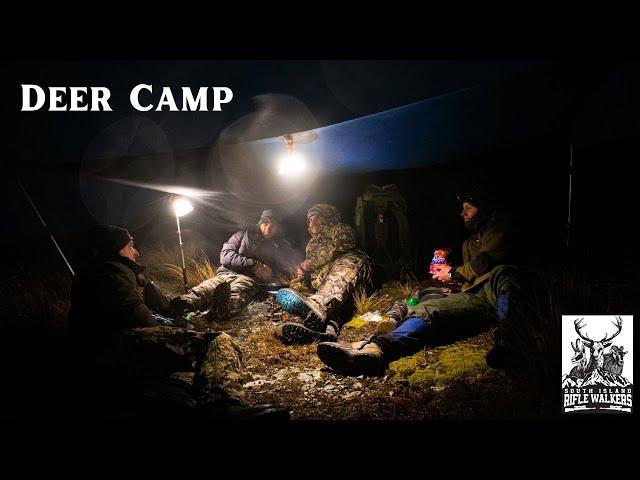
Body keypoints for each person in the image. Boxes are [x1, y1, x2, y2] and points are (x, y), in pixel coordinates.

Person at [67, 224, 287, 419]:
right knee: (217, 341)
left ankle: (178, 386)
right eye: (130, 246)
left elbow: (142, 308)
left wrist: (156, 297)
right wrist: (174, 327)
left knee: (221, 307)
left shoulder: (101, 271)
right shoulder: (113, 272)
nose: (136, 251)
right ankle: (224, 405)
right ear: (116, 249)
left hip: (105, 347)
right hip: (117, 343)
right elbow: (136, 315)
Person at [316, 189, 531, 375]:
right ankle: (377, 348)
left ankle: (509, 341)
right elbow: (472, 264)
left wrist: (453, 273)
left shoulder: (499, 228)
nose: (463, 213)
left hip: (498, 288)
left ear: (483, 210)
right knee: (429, 308)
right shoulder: (469, 241)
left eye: (469, 208)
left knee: (505, 275)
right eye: (463, 208)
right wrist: (447, 256)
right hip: (477, 297)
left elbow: (486, 262)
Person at [171, 209, 301, 316]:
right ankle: (174, 304)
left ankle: (213, 314)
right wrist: (253, 264)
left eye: (273, 226)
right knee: (204, 289)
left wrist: (296, 270)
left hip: (248, 280)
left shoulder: (277, 246)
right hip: (226, 273)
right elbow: (225, 256)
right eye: (265, 223)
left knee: (235, 296)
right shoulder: (241, 236)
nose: (268, 228)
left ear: (278, 229)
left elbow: (285, 267)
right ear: (259, 223)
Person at [275, 203, 372, 344]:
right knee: (337, 307)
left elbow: (344, 245)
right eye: (308, 220)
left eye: (313, 217)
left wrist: (312, 262)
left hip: (354, 274)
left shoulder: (340, 229)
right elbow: (317, 276)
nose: (310, 222)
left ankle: (318, 305)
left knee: (346, 264)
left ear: (325, 218)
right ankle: (326, 331)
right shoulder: (312, 245)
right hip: (335, 294)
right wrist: (302, 275)